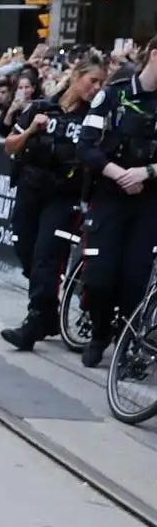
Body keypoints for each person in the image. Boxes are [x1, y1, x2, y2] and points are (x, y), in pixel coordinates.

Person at [0, 58, 105, 350]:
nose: (96, 88)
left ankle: (34, 321)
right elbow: (9, 145)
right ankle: (47, 313)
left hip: (65, 196)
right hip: (31, 188)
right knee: (25, 249)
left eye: (101, 83)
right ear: (76, 76)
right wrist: (32, 129)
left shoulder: (94, 118)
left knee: (47, 255)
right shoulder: (41, 107)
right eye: (92, 81)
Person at [75, 35, 157, 366]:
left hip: (148, 201)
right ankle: (99, 331)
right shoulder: (113, 94)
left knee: (134, 278)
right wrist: (118, 173)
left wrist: (147, 172)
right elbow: (86, 146)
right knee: (98, 277)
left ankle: (126, 340)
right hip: (110, 195)